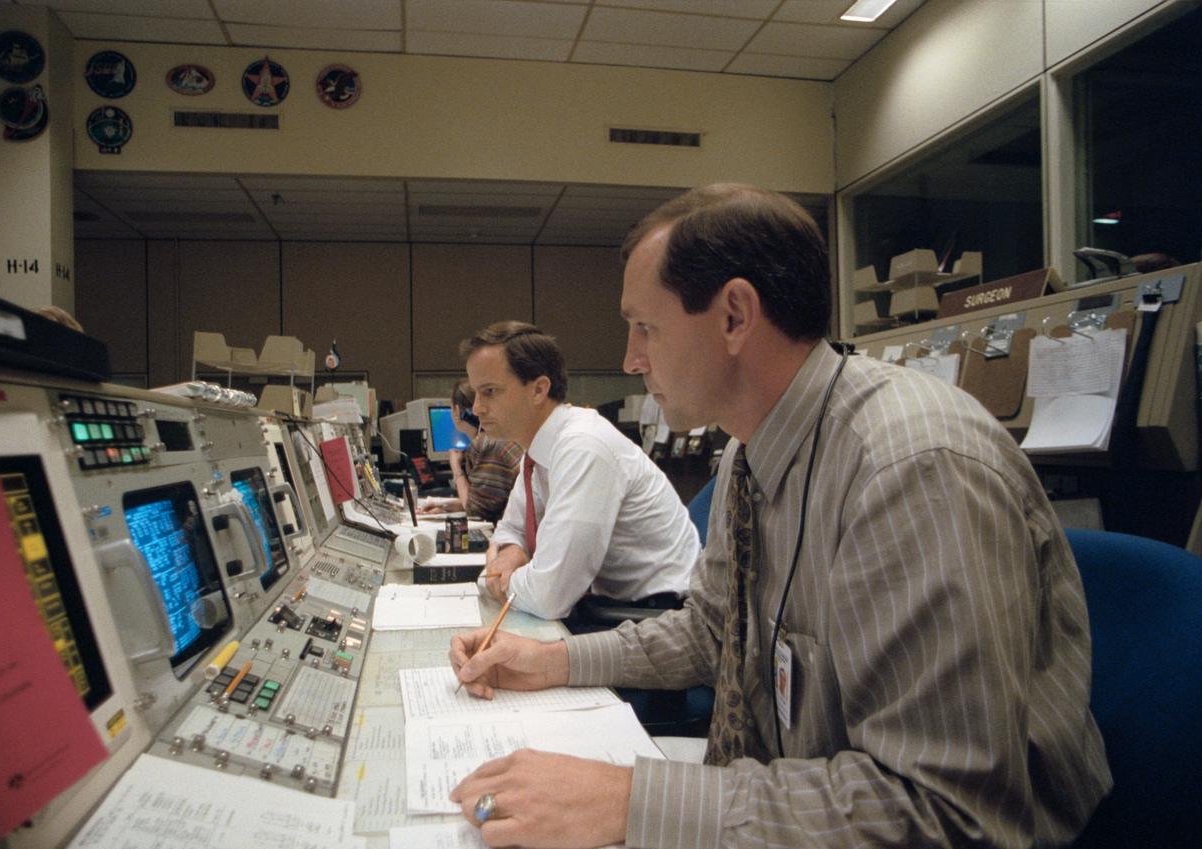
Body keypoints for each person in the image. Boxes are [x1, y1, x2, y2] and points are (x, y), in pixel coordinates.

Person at [448, 184, 1111, 849]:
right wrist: (548, 661)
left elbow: (946, 809)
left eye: (645, 326)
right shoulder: (748, 452)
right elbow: (710, 632)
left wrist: (631, 799)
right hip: (797, 796)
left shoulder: (911, 467)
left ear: (734, 316)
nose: (630, 358)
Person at [461, 320, 699, 621]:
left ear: (538, 390)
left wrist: (501, 579)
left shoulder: (583, 447)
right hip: (611, 607)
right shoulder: (535, 454)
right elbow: (511, 529)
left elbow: (550, 595)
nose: (477, 408)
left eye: (489, 392)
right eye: (476, 394)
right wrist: (511, 552)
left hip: (657, 616)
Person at [418, 380, 523, 522]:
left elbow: (476, 512)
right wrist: (444, 506)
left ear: (456, 411)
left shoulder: (488, 443)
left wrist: (456, 469)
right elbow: (484, 503)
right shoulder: (500, 435)